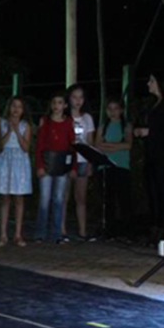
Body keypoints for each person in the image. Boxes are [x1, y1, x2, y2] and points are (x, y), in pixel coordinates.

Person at [134, 74, 164, 240]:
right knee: (152, 190)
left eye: (152, 80)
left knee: (162, 189)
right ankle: (155, 225)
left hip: (162, 155)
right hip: (151, 153)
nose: (148, 83)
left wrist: (149, 132)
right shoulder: (154, 104)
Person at [35, 92, 76, 243]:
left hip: (62, 165)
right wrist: (39, 165)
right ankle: (40, 233)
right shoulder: (45, 122)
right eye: (54, 102)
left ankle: (57, 233)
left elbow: (73, 146)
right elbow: (39, 145)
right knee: (44, 199)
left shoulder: (68, 122)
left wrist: (73, 167)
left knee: (59, 199)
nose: (56, 106)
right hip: (47, 163)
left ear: (65, 105)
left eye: (60, 103)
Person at [0, 97, 33, 247]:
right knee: (4, 198)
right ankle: (3, 234)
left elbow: (25, 147)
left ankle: (17, 234)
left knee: (18, 198)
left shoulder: (25, 125)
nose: (16, 110)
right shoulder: (1, 123)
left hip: (19, 162)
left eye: (19, 107)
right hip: (5, 160)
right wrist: (9, 131)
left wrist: (16, 130)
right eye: (13, 106)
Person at [62, 84, 96, 240]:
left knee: (81, 197)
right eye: (74, 97)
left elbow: (90, 142)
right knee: (64, 196)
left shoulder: (87, 118)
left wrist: (90, 163)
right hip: (67, 160)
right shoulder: (64, 117)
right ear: (69, 98)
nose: (78, 101)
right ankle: (61, 230)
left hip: (82, 160)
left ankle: (82, 231)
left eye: (80, 97)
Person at [97, 98, 134, 237]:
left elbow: (128, 144)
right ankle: (109, 229)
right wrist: (117, 145)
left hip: (122, 166)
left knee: (124, 199)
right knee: (108, 200)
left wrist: (109, 145)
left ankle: (127, 230)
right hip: (105, 166)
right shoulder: (102, 126)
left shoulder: (126, 126)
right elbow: (97, 145)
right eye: (110, 109)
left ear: (121, 110)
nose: (113, 112)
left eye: (116, 108)